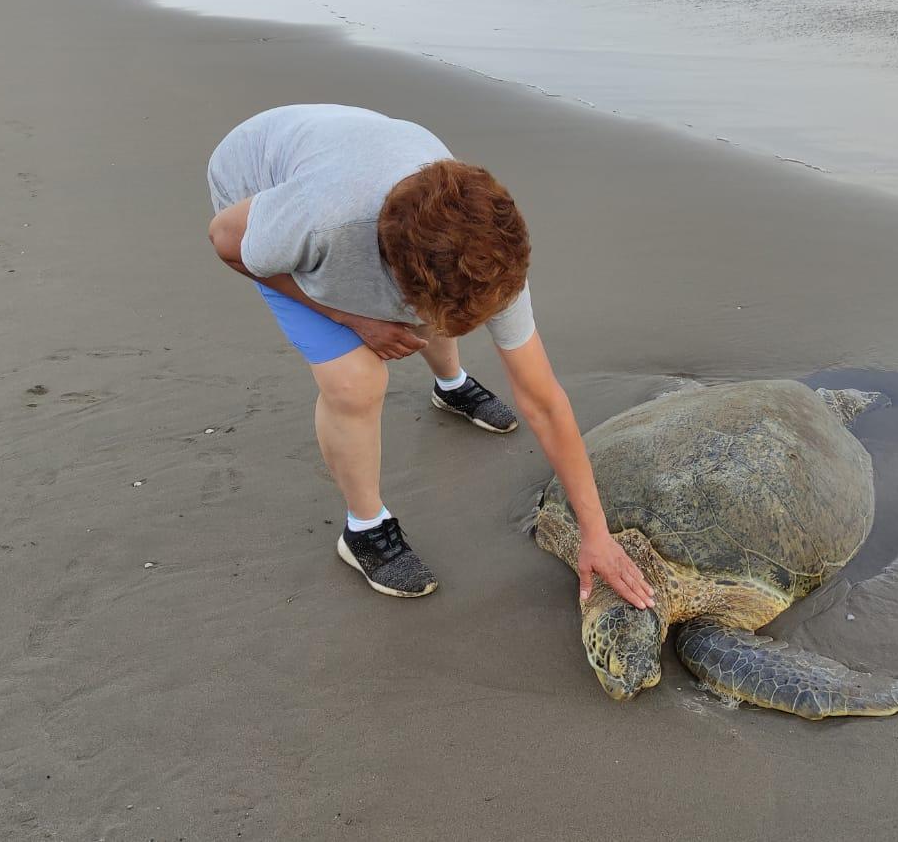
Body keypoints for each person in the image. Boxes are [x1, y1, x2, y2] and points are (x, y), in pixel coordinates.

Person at [205, 104, 654, 610]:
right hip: (254, 187)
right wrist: (351, 318)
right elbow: (225, 241)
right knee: (356, 381)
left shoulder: (493, 255)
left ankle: (451, 384)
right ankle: (364, 529)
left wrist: (596, 533)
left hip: (345, 154)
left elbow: (542, 398)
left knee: (435, 310)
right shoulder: (318, 224)